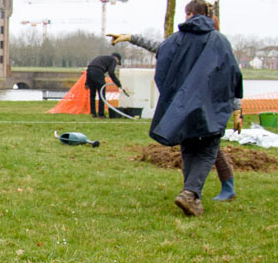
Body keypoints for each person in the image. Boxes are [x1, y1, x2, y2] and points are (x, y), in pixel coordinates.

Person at [110, 14, 242, 202]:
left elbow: (230, 77)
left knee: (207, 147)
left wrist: (237, 109)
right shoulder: (188, 42)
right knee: (205, 145)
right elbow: (159, 46)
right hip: (193, 103)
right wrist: (131, 37)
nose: (188, 18)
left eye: (190, 15)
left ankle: (198, 191)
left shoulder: (216, 44)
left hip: (205, 105)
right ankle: (201, 190)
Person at [85, 51, 129, 118]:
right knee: (102, 94)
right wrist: (118, 83)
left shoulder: (102, 58)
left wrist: (87, 82)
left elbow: (90, 67)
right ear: (117, 59)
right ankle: (101, 114)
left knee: (92, 94)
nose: (116, 64)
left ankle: (93, 113)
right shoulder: (113, 59)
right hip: (98, 72)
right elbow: (111, 73)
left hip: (89, 72)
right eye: (117, 63)